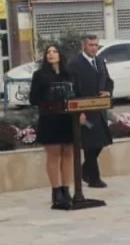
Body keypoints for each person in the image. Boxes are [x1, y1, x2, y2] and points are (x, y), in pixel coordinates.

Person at [28, 44, 75, 210]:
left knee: (68, 154)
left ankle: (66, 189)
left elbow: (78, 94)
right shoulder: (40, 75)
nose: (51, 54)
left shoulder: (69, 74)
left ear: (60, 55)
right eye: (48, 52)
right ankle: (56, 191)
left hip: (68, 119)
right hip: (50, 119)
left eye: (54, 51)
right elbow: (33, 99)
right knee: (54, 155)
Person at [66, 35, 113, 189]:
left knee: (101, 141)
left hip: (99, 110)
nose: (94, 48)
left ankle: (85, 171)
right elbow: (72, 90)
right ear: (84, 46)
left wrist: (107, 91)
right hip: (85, 112)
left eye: (96, 45)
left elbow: (108, 81)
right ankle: (94, 178)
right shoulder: (75, 65)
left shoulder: (99, 61)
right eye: (91, 45)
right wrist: (79, 112)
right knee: (90, 144)